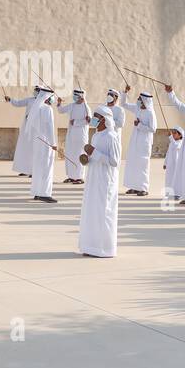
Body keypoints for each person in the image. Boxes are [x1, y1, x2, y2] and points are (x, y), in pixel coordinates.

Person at [78, 106, 121, 257]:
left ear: (104, 119)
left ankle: (104, 249)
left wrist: (94, 153)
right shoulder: (96, 135)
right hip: (93, 178)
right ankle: (90, 247)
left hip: (105, 180)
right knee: (92, 211)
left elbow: (115, 161)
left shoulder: (112, 136)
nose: (94, 119)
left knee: (104, 212)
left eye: (96, 116)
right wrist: (87, 158)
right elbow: (95, 156)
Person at [28, 86, 58, 203]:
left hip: (37, 142)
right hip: (46, 143)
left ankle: (37, 192)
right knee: (46, 168)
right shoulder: (47, 109)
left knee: (38, 168)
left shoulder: (36, 107)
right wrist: (53, 143)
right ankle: (44, 193)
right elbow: (49, 128)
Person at [123, 91, 156, 195]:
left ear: (145, 101)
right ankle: (134, 187)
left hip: (144, 142)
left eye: (140, 99)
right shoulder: (137, 108)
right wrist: (125, 93)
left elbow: (153, 129)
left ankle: (143, 188)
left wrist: (140, 125)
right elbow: (124, 104)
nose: (138, 100)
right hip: (135, 140)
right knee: (133, 163)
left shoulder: (150, 113)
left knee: (142, 165)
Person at [5, 85, 41, 177]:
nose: (35, 91)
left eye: (37, 90)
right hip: (26, 128)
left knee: (34, 150)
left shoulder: (43, 103)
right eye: (35, 89)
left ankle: (34, 171)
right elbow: (18, 103)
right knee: (25, 148)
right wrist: (10, 99)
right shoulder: (30, 100)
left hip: (36, 130)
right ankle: (25, 169)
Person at [57, 88, 91, 184]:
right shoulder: (72, 105)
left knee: (80, 155)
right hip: (71, 135)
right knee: (70, 154)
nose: (75, 97)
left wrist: (75, 122)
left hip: (81, 136)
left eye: (77, 95)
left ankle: (79, 177)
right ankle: (71, 177)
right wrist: (59, 103)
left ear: (81, 96)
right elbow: (61, 110)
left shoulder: (86, 108)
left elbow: (88, 121)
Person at [163, 126, 184, 201]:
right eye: (172, 132)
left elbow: (176, 146)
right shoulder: (172, 143)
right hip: (170, 165)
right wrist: (165, 163)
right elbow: (168, 153)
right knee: (169, 179)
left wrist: (170, 137)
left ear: (180, 135)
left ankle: (177, 194)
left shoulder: (180, 143)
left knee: (176, 179)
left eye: (175, 133)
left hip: (176, 165)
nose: (173, 134)